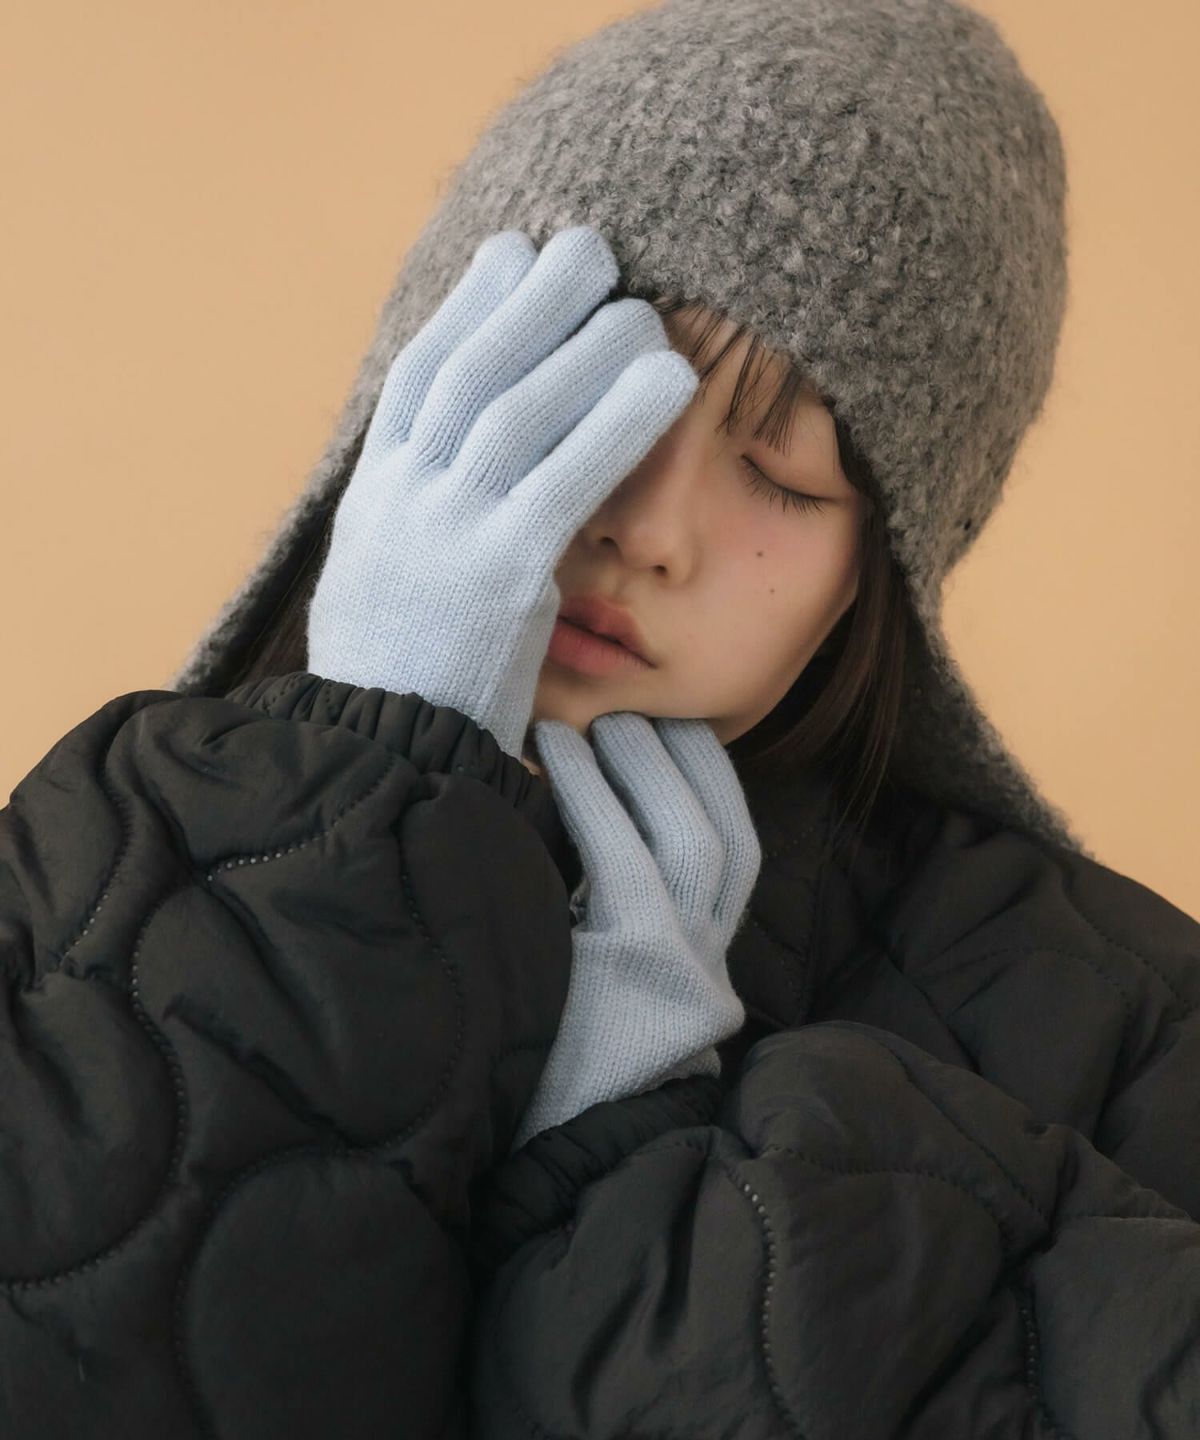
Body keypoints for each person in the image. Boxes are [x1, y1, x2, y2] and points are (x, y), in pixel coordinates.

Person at [2, 1, 1197, 1436]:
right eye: (586, 391)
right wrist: (340, 816)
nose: (647, 528)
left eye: (783, 473)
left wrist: (638, 1177)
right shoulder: (97, 854)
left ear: (881, 573)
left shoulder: (1125, 1039)